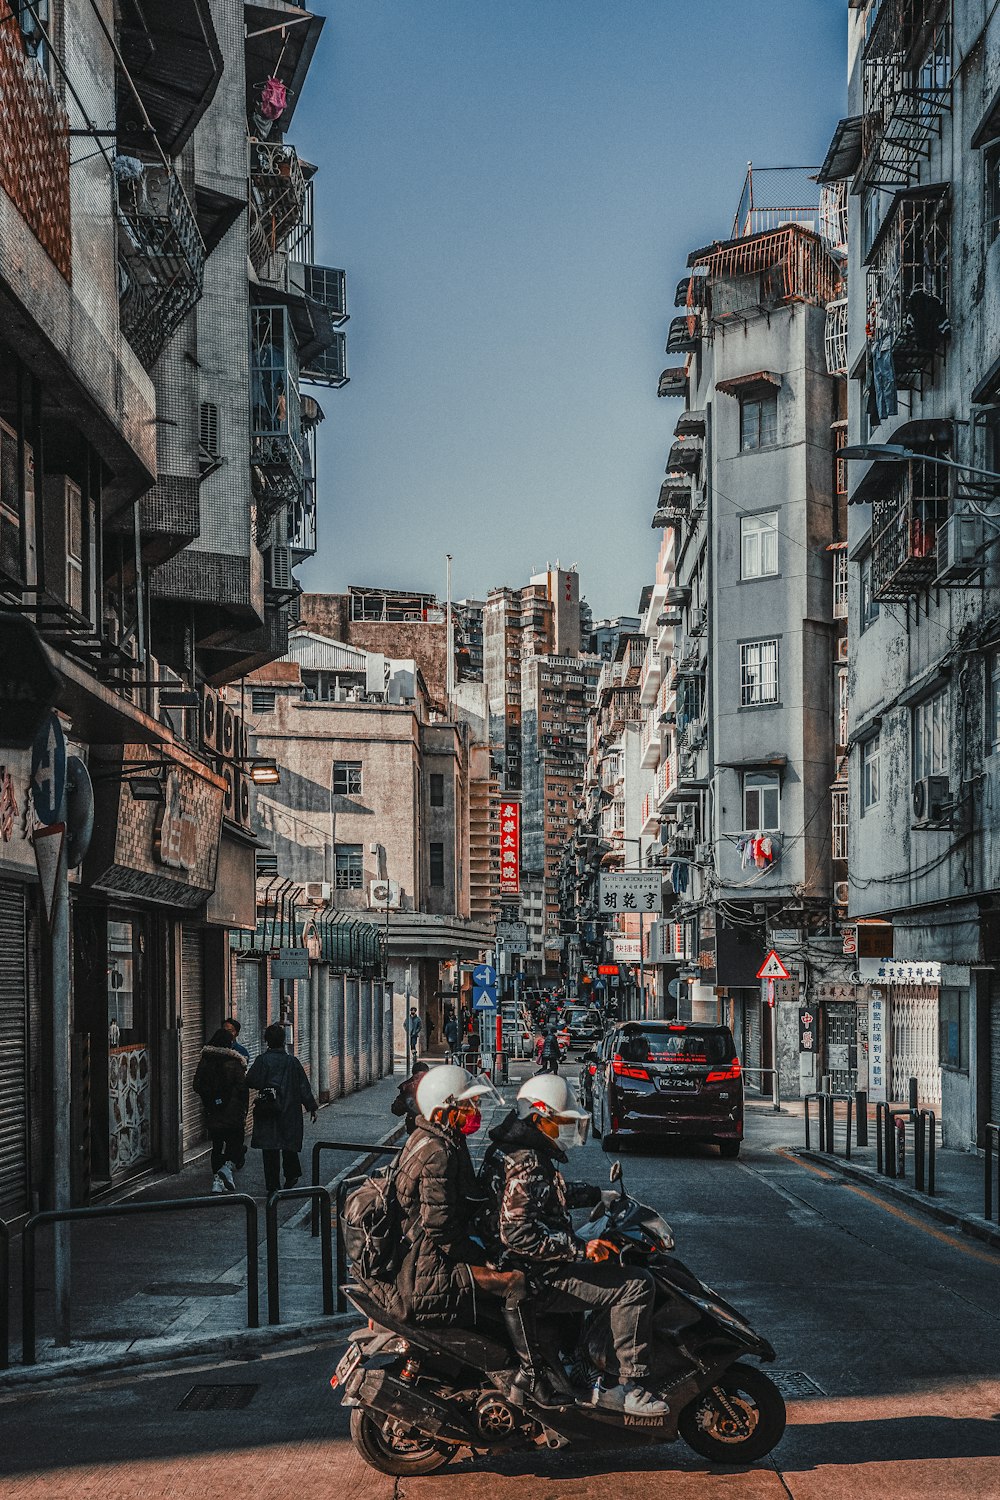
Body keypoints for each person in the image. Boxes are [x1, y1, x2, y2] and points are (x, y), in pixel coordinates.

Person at [497, 1072, 669, 1416]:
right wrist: (579, 1249)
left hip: (534, 1268)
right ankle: (623, 1387)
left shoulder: (520, 1152)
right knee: (635, 1285)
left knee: (608, 1269)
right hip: (538, 1276)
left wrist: (596, 1195)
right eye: (559, 1121)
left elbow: (545, 1196)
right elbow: (516, 1234)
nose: (563, 1129)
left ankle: (581, 1360)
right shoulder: (526, 1163)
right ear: (539, 1118)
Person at [391, 1064, 494, 1327]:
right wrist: (483, 1259)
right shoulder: (439, 1152)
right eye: (467, 1106)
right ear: (443, 1111)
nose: (474, 1112)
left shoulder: (432, 1137)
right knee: (514, 1283)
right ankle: (528, 1366)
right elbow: (439, 1227)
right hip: (428, 1265)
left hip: (425, 1253)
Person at [246, 1023, 318, 1192]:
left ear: (266, 1041)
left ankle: (273, 1187)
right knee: (288, 1144)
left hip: (268, 1110)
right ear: (284, 1041)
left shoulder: (262, 1061)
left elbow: (251, 1081)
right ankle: (292, 1174)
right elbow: (303, 1087)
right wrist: (312, 1107)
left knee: (270, 1149)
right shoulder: (292, 1062)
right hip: (289, 1110)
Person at [193, 1028, 249, 1194]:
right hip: (233, 1112)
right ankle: (226, 1168)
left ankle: (217, 1182)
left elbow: (196, 1085)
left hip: (213, 1112)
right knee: (236, 1144)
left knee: (217, 1146)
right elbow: (242, 1088)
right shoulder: (235, 1063)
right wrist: (243, 1109)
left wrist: (210, 1098)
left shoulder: (205, 1060)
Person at [390, 1060, 429, 1134]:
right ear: (413, 1077)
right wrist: (402, 1103)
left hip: (431, 1127)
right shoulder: (408, 1088)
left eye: (423, 1077)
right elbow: (397, 1111)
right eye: (417, 1077)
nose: (420, 1081)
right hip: (414, 1128)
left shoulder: (434, 1087)